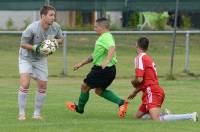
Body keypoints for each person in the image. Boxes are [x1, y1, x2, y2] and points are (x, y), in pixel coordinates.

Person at [66, 17, 128, 118]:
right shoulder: (103, 38)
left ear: (102, 27)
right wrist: (81, 63)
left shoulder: (106, 37)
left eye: (96, 27)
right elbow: (94, 55)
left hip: (102, 70)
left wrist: (107, 60)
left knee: (84, 86)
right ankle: (121, 102)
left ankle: (79, 109)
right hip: (109, 70)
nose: (94, 29)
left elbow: (112, 47)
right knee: (99, 91)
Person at [127, 37, 198, 122]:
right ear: (147, 47)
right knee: (138, 116)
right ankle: (165, 115)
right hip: (152, 90)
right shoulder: (147, 58)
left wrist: (133, 82)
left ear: (137, 45)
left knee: (156, 119)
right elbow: (145, 81)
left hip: (152, 91)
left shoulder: (139, 58)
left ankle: (190, 116)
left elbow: (139, 80)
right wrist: (134, 92)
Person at [18, 5, 63, 120]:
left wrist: (53, 42)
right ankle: (21, 113)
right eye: (51, 15)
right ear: (43, 16)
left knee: (43, 86)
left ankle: (36, 114)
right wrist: (36, 48)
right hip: (26, 58)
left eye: (54, 15)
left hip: (41, 59)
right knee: (25, 84)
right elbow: (23, 44)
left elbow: (61, 39)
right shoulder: (32, 28)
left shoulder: (56, 27)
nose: (53, 17)